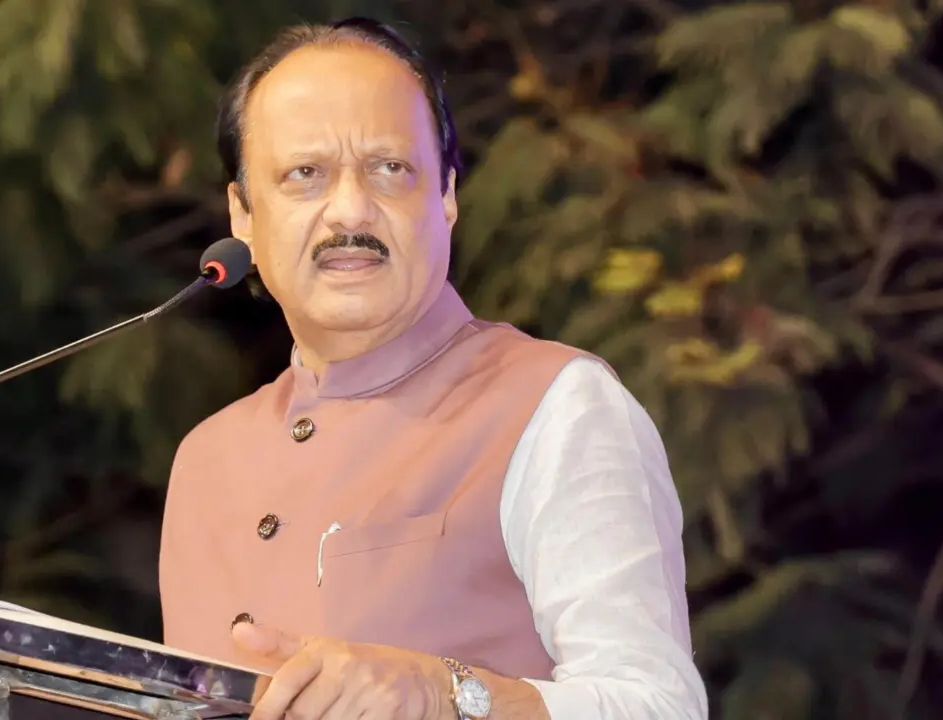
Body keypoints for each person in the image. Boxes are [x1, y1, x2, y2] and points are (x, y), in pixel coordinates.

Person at [158, 16, 708, 720]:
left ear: (446, 195)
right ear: (242, 214)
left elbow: (657, 704)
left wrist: (444, 694)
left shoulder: (556, 404)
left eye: (390, 168)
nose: (350, 211)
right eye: (305, 175)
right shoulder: (206, 460)